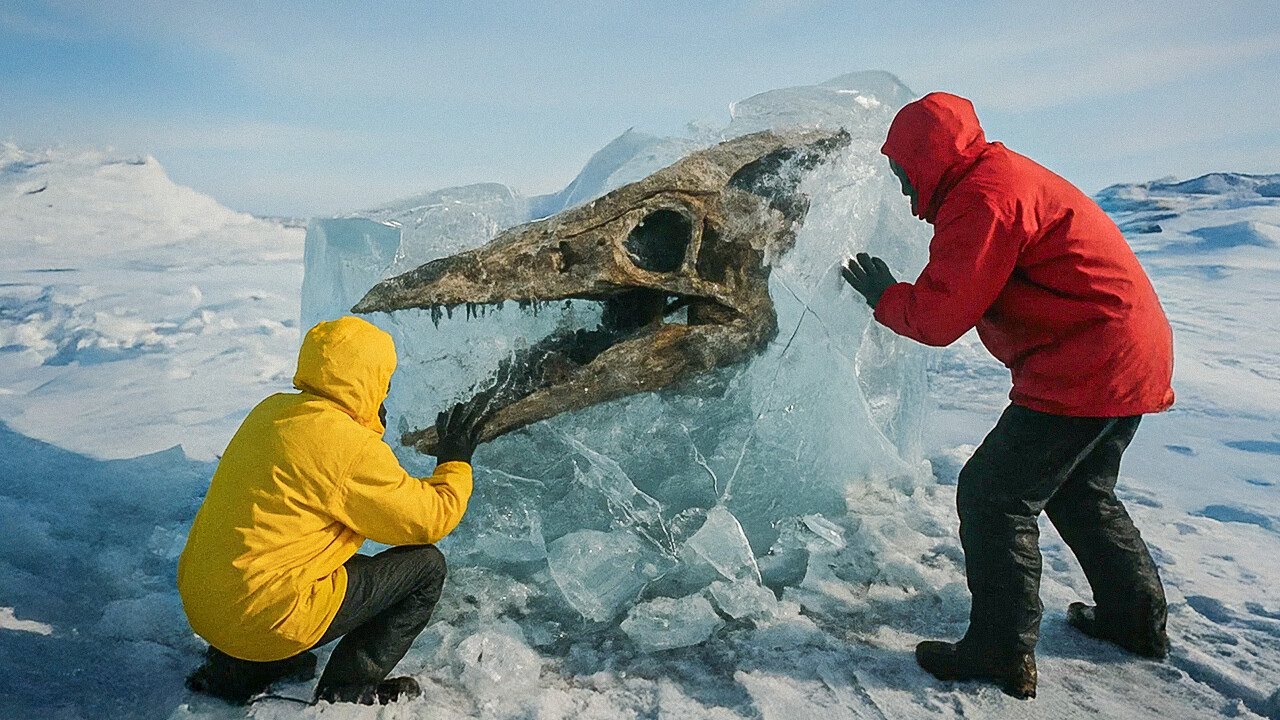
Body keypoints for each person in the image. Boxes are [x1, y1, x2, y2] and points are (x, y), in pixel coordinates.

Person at [842, 92, 1174, 699]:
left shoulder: (982, 199)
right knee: (1081, 490)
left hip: (1088, 360)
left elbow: (941, 319)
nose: (901, 187)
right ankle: (1133, 623)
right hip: (1126, 353)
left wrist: (886, 296)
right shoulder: (997, 177)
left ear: (927, 158)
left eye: (902, 171)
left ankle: (999, 652)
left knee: (994, 494)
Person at [177, 316, 488, 705]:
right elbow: (429, 519)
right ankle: (348, 688)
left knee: (280, 550)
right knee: (426, 567)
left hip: (204, 606)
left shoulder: (270, 411)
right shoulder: (346, 446)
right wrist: (454, 460)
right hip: (263, 619)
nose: (387, 390)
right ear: (368, 380)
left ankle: (241, 669)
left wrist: (363, 428)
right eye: (384, 380)